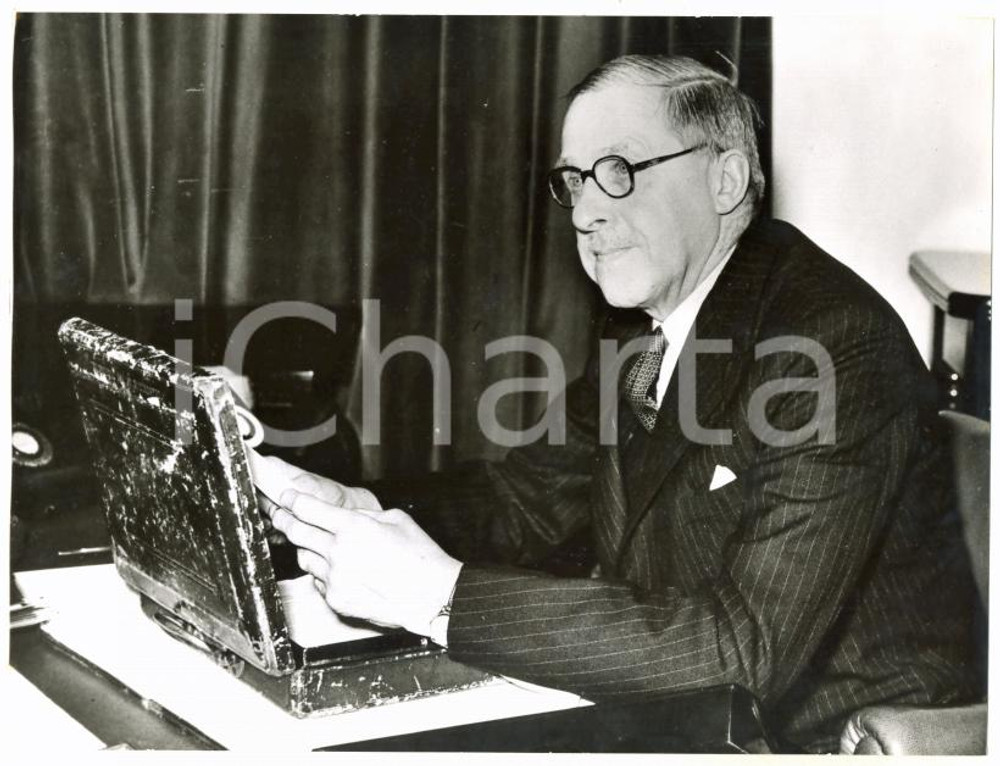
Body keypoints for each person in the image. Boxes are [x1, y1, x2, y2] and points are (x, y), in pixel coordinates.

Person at [264, 55, 978, 752]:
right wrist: (355, 504)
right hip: (683, 713)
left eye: (620, 171)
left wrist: (440, 597)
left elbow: (743, 647)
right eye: (575, 180)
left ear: (725, 178)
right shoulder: (647, 320)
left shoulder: (833, 345)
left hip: (821, 737)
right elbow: (524, 501)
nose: (586, 213)